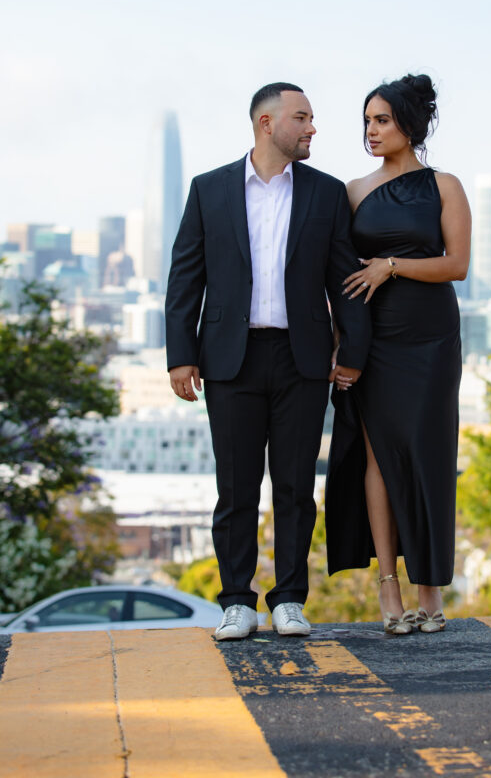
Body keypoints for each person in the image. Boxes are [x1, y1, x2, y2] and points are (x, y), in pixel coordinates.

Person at [166, 83, 371, 640]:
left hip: (302, 360)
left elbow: (343, 279)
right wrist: (181, 354)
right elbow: (186, 275)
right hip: (229, 360)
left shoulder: (326, 194)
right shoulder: (208, 190)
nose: (311, 128)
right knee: (235, 488)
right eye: (301, 117)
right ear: (266, 123)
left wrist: (351, 352)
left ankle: (289, 600)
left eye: (311, 118)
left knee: (296, 487)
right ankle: (237, 600)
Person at [325, 73, 471, 634]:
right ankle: (388, 589)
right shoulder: (354, 191)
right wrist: (341, 338)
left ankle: (429, 590)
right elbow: (336, 273)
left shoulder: (445, 186)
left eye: (382, 120)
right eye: (366, 121)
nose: (371, 130)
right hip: (374, 340)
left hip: (432, 337)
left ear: (408, 125)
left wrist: (392, 265)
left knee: (429, 456)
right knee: (378, 458)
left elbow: (455, 265)